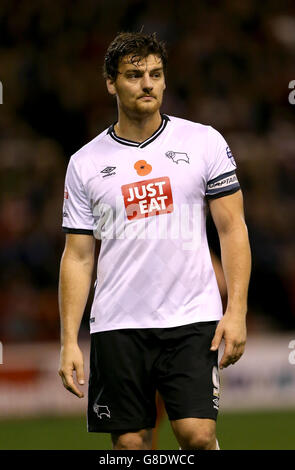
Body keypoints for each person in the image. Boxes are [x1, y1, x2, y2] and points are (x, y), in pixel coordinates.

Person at [58, 31, 251, 450]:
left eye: (155, 74)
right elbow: (77, 255)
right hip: (117, 322)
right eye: (133, 75)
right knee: (131, 444)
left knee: (197, 435)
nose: (147, 83)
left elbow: (233, 228)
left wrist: (237, 309)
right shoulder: (85, 162)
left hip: (191, 317)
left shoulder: (203, 142)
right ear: (111, 82)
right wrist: (68, 340)